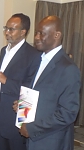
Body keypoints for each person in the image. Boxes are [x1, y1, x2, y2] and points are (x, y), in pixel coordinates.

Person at [15, 16, 81, 150]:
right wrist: (23, 105)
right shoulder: (40, 60)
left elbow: (68, 113)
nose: (36, 37)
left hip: (51, 142)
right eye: (36, 33)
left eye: (42, 33)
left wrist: (32, 128)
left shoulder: (68, 69)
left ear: (57, 35)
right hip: (34, 139)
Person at [0, 13, 41, 150]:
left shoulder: (33, 55)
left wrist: (6, 80)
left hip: (16, 112)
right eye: (6, 28)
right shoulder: (3, 51)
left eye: (11, 29)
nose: (7, 32)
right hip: (0, 110)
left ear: (23, 32)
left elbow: (32, 88)